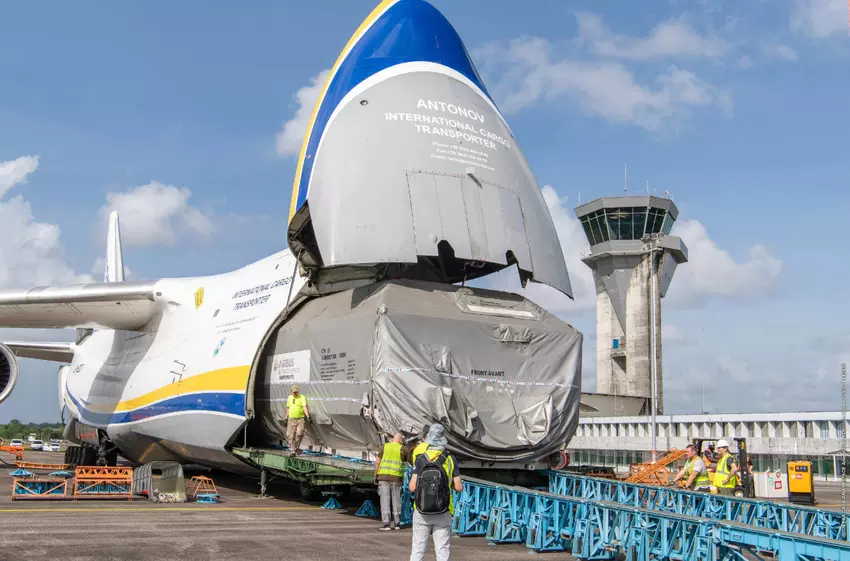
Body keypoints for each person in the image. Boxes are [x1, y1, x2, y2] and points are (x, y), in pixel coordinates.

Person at [409, 423, 462, 561]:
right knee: (442, 551)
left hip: (422, 510)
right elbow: (458, 487)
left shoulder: (421, 459)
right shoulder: (450, 459)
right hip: (443, 510)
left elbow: (412, 487)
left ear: (429, 439)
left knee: (418, 550)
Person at [375, 432, 408, 531]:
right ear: (401, 440)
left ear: (393, 439)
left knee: (385, 500)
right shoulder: (403, 449)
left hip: (383, 477)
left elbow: (377, 462)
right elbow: (409, 461)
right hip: (396, 478)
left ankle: (386, 524)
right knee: (396, 500)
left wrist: (375, 475)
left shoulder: (384, 446)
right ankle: (397, 523)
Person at [286, 385, 310, 456]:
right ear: (291, 392)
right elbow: (288, 408)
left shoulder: (302, 397)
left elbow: (304, 407)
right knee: (290, 435)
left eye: (296, 392)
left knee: (299, 434)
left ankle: (296, 449)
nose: (295, 393)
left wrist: (308, 416)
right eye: (294, 392)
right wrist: (285, 417)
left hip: (300, 419)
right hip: (291, 419)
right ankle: (293, 451)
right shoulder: (289, 398)